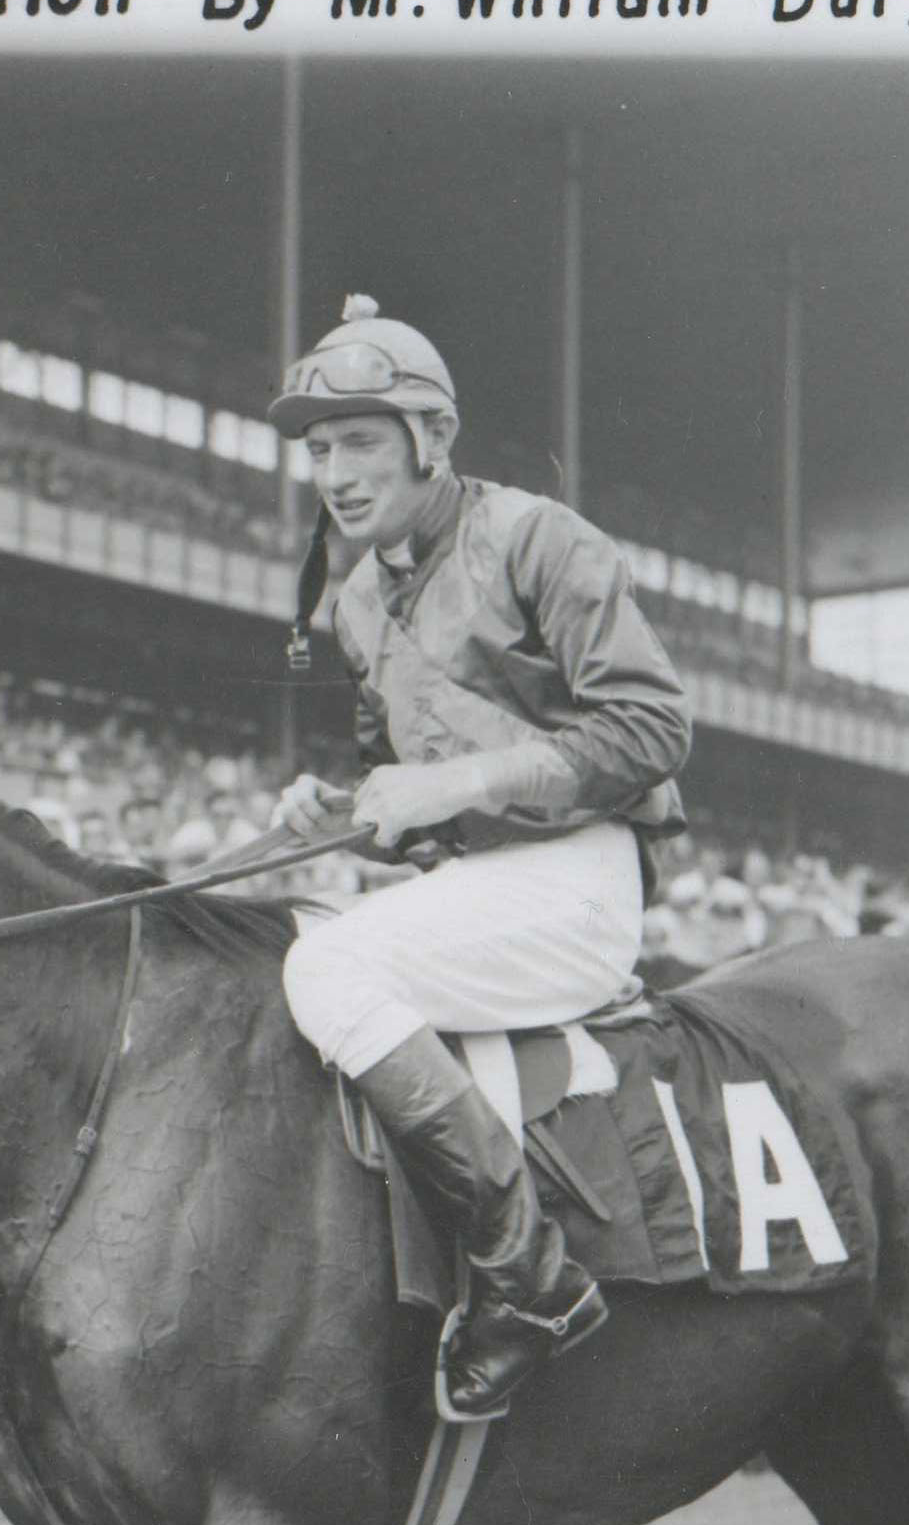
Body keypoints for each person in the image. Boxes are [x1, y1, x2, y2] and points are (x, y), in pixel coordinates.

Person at [260, 300, 683, 1422]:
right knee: (291, 941)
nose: (334, 472)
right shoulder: (353, 601)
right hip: (483, 882)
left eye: (360, 439)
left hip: (584, 875)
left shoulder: (541, 535)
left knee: (329, 972)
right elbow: (425, 811)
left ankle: (530, 1279)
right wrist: (346, 814)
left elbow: (652, 730)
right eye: (317, 446)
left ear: (430, 438)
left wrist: (455, 785)